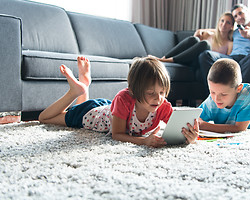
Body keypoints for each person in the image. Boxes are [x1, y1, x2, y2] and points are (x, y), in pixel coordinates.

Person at [38, 56, 199, 147]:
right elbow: (117, 135)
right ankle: (75, 91)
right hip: (91, 114)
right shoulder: (124, 99)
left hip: (110, 108)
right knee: (45, 118)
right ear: (134, 91)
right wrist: (144, 141)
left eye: (162, 92)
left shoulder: (161, 104)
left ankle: (84, 86)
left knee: (88, 105)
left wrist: (189, 136)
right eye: (151, 93)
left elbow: (178, 126)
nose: (158, 98)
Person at [199, 3, 250, 85]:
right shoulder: (235, 32)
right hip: (232, 59)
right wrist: (201, 30)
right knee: (206, 55)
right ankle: (212, 94)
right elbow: (220, 29)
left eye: (240, 13)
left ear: (247, 12)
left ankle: (239, 95)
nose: (239, 17)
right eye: (235, 16)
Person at [157, 12, 234, 67]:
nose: (224, 24)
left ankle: (170, 60)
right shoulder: (209, 34)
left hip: (202, 64)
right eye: (222, 21)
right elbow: (195, 39)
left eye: (228, 23)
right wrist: (199, 31)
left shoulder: (229, 43)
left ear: (232, 27)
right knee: (194, 40)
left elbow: (227, 62)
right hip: (189, 58)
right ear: (219, 22)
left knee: (205, 44)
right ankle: (164, 58)